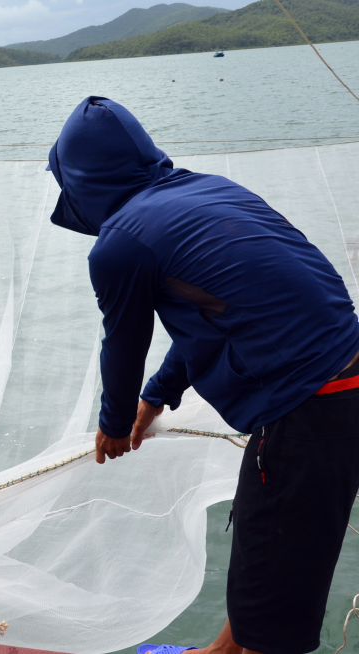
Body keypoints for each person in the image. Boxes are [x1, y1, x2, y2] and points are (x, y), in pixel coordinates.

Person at [48, 97, 359, 654]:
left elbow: (123, 343)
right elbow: (217, 323)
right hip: (342, 386)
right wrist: (159, 395)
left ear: (79, 181)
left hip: (308, 408)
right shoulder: (208, 189)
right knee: (270, 559)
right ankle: (218, 651)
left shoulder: (120, 244)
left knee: (275, 598)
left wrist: (116, 423)